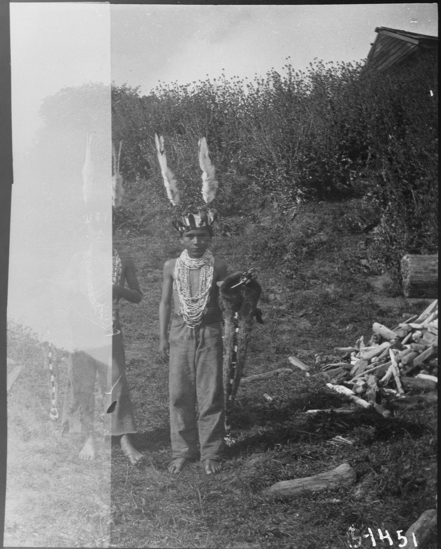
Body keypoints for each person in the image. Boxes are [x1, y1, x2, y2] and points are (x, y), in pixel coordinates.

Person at [61, 208, 143, 464]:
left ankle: (124, 437)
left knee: (116, 382)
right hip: (83, 332)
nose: (100, 235)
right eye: (95, 230)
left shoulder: (123, 258)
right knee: (82, 384)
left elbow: (138, 296)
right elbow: (64, 293)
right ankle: (88, 436)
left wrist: (117, 289)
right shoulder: (78, 258)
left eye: (106, 230)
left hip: (110, 331)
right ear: (88, 232)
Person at [159, 218, 228, 475]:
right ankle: (182, 451)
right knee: (179, 393)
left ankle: (211, 452)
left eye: (202, 236)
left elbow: (227, 302)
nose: (196, 241)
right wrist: (163, 338)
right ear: (181, 239)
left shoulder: (218, 266)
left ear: (209, 238)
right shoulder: (171, 266)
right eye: (190, 236)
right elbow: (165, 303)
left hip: (210, 331)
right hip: (180, 331)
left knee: (210, 393)